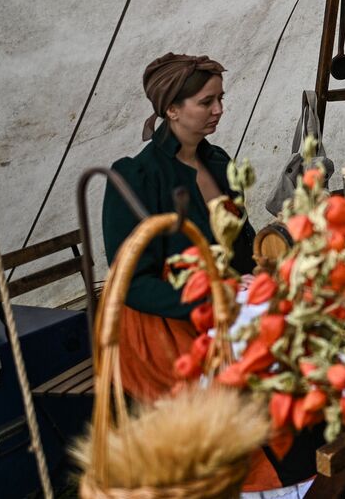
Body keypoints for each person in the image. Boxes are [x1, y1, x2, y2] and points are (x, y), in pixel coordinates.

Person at [104, 55, 314, 494]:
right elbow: (130, 283)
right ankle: (270, 479)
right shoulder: (135, 176)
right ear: (171, 109)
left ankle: (313, 466)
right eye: (206, 101)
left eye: (221, 98)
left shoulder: (217, 161)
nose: (219, 109)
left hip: (226, 305)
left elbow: (244, 243)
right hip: (164, 326)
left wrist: (269, 268)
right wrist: (212, 295)